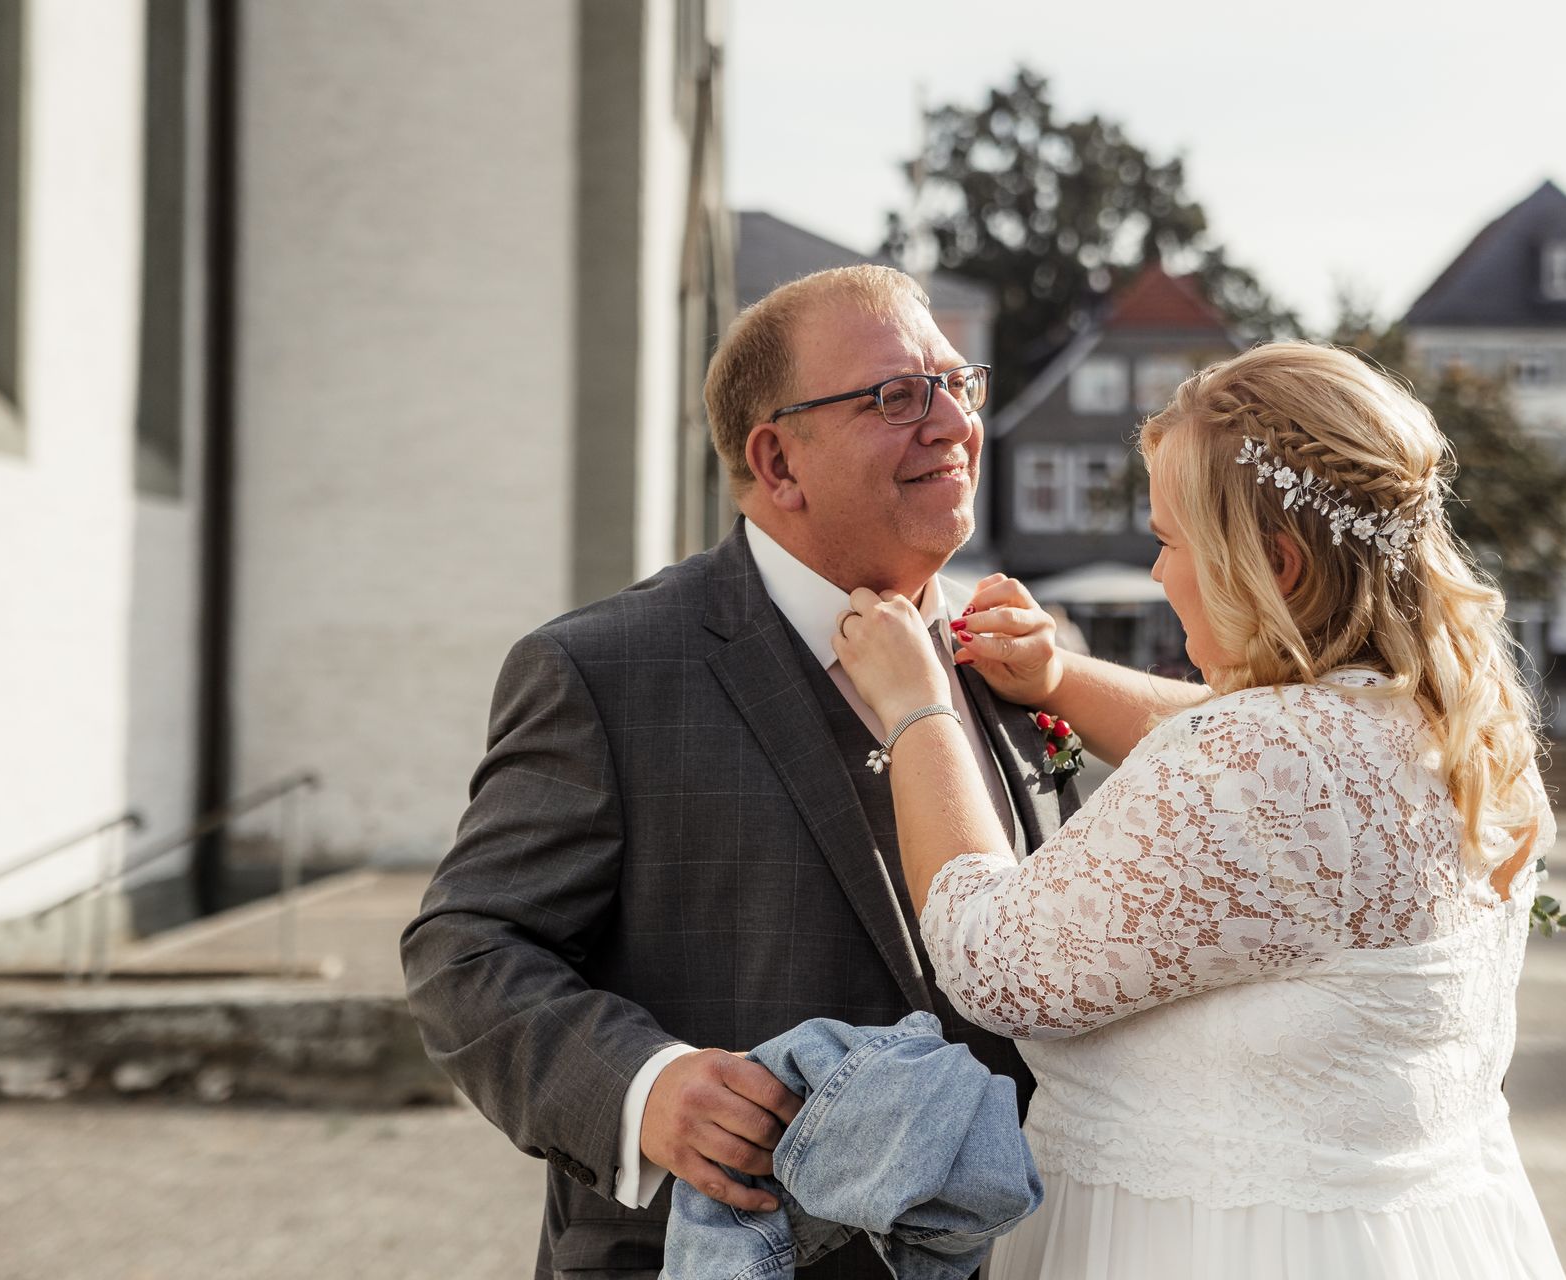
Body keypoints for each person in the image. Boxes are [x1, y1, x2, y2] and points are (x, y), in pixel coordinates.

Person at [400, 265, 1093, 1280]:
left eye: (958, 384)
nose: (953, 424)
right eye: (898, 397)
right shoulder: (606, 669)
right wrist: (646, 1086)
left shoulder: (1022, 657)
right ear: (777, 459)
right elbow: (464, 951)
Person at [832, 341, 1566, 1278]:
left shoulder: (1264, 759)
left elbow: (992, 961)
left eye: (1170, 541)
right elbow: (1254, 756)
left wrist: (917, 707)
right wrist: (1057, 679)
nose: (1157, 572)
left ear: (1275, 564)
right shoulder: (1452, 727)